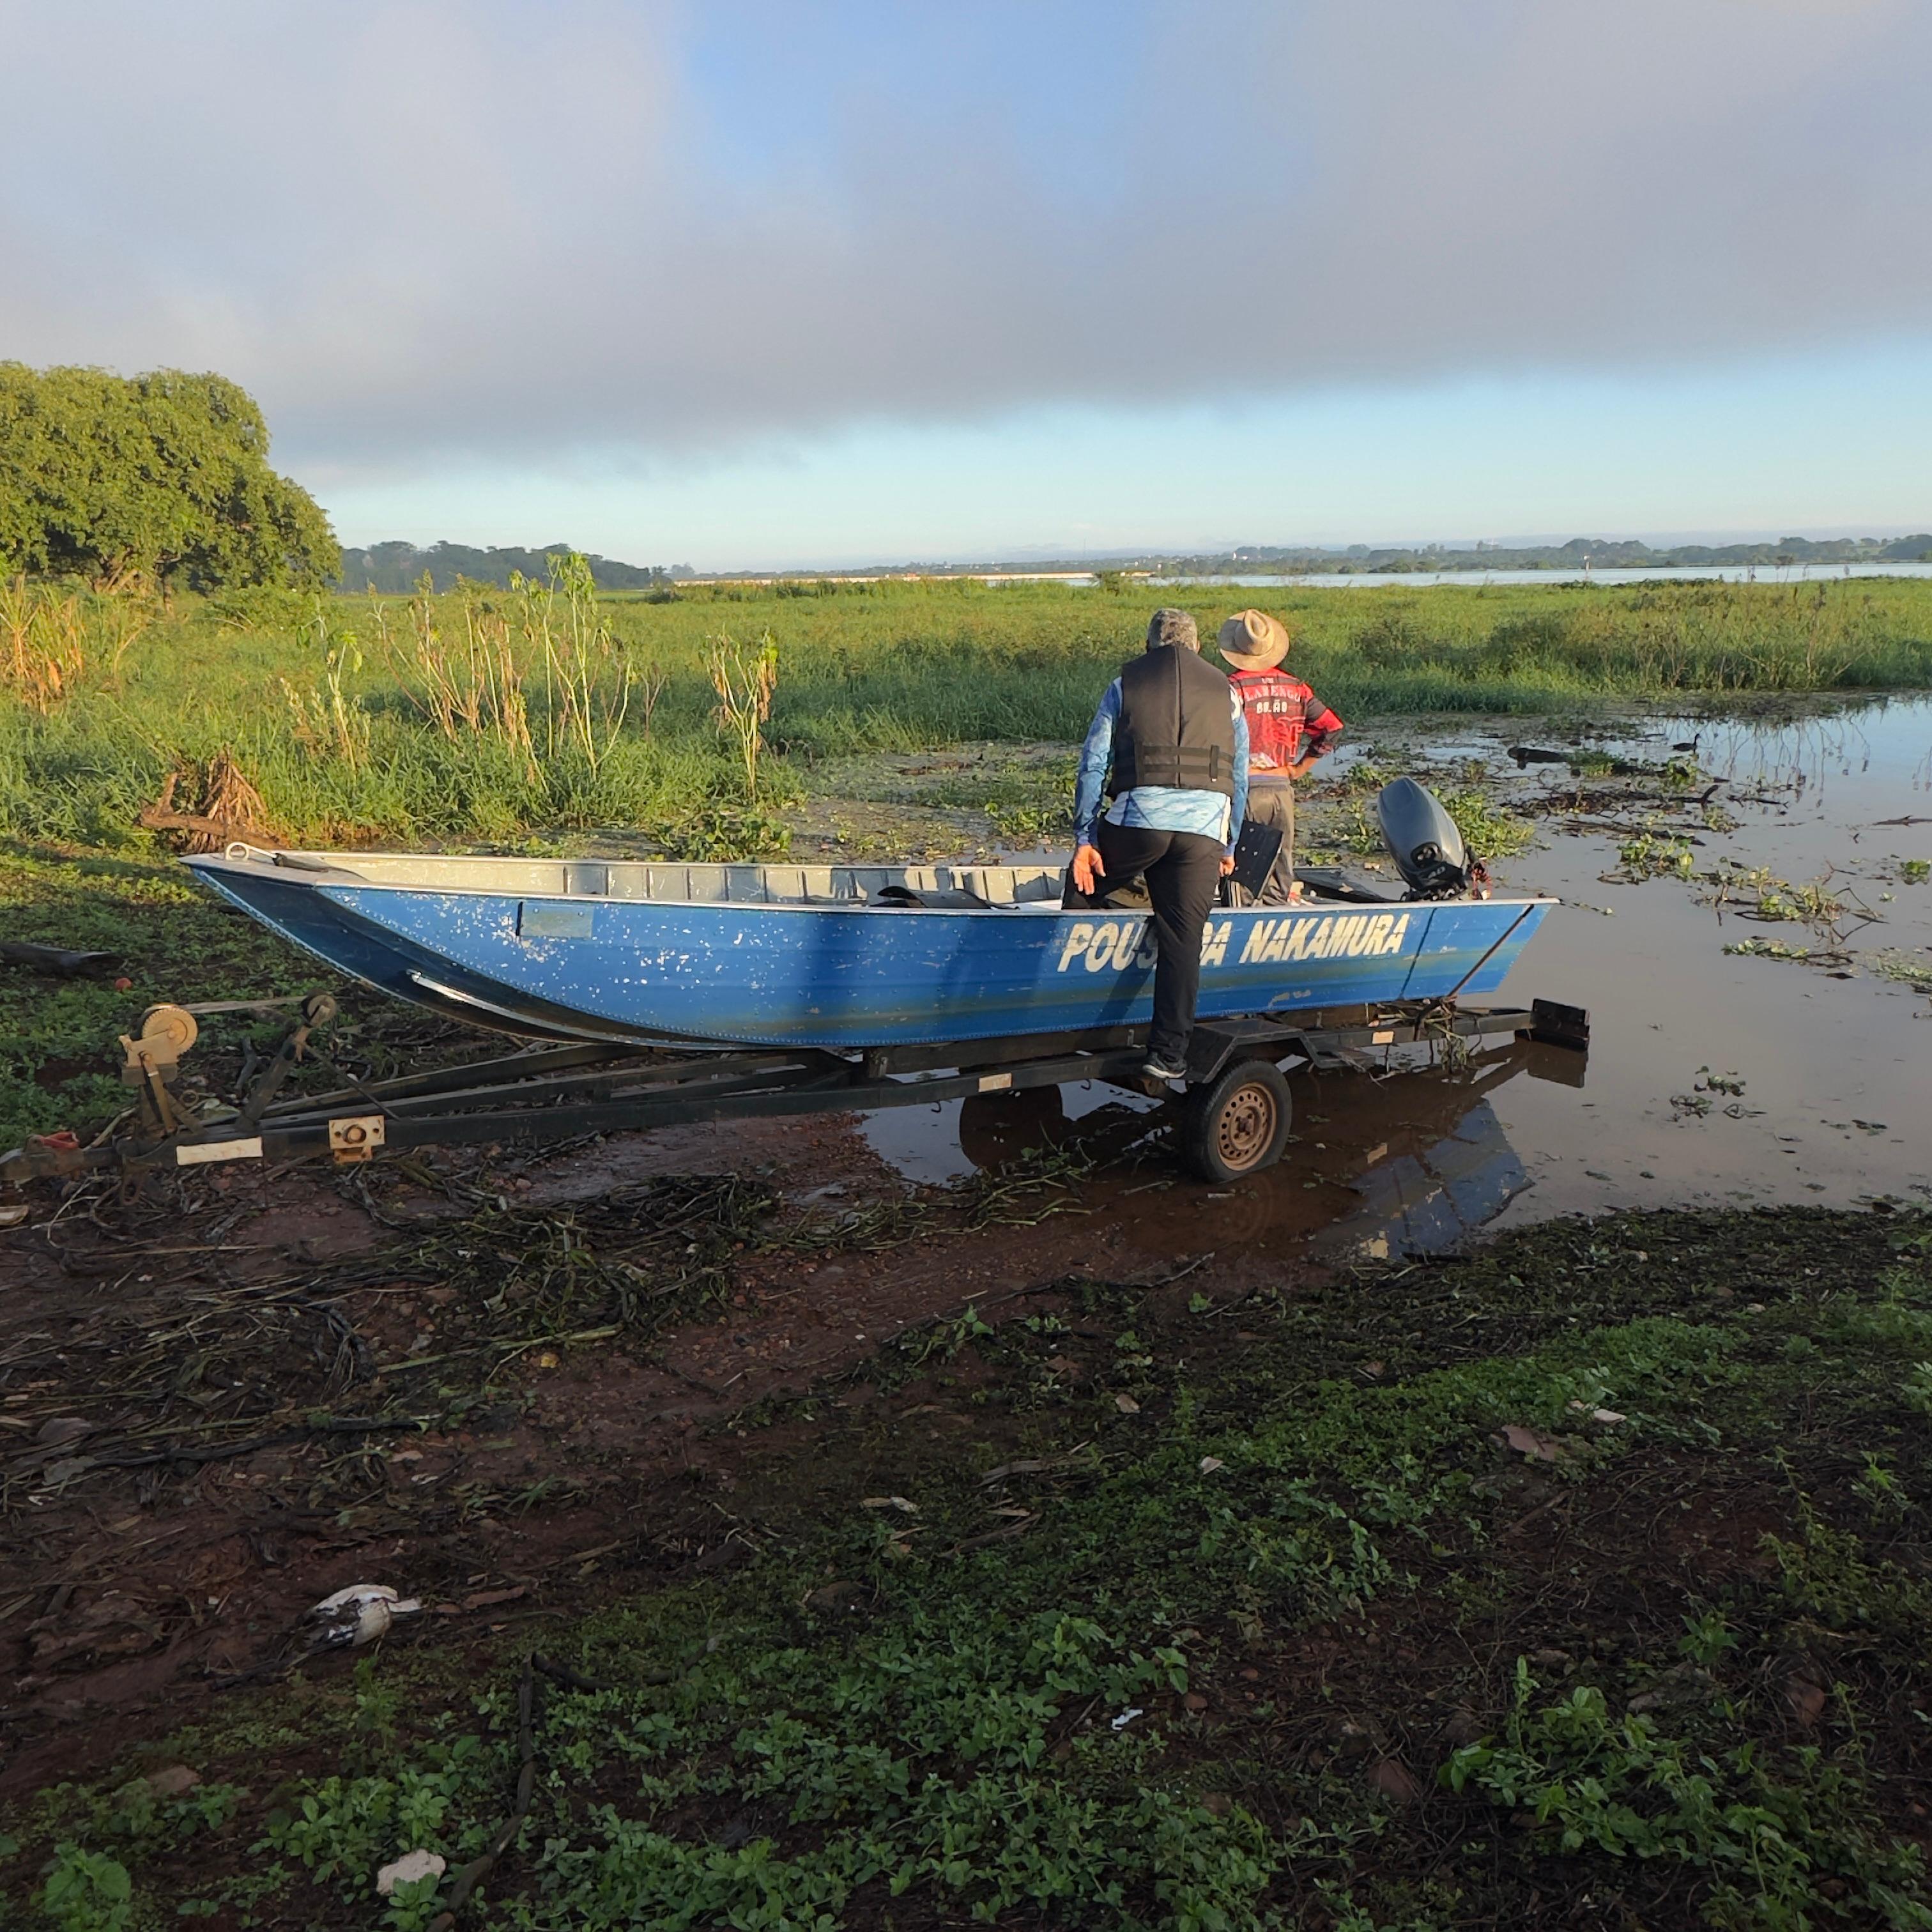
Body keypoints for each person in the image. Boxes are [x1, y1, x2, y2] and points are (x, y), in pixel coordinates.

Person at [1067, 607, 1249, 1084]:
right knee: (1184, 941)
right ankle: (1168, 1055)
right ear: (1198, 648)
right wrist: (1230, 843)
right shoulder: (1228, 692)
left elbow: (1093, 765)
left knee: (1083, 885)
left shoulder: (1125, 682)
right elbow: (1240, 775)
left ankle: (1061, 1015)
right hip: (1204, 832)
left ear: (1149, 646)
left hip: (1139, 824)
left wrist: (1086, 838)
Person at [1215, 608, 1343, 904]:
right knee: (1280, 872)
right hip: (1281, 789)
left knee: (1240, 876)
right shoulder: (1297, 688)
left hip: (1244, 791)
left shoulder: (1231, 688)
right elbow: (1332, 728)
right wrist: (1299, 768)